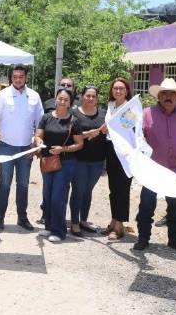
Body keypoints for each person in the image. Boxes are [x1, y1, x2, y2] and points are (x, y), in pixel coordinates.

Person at [133, 79, 176, 253]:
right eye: (164, 94)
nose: (168, 97)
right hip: (151, 170)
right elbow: (137, 138)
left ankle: (175, 240)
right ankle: (143, 239)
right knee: (146, 206)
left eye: (172, 94)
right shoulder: (146, 113)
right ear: (158, 96)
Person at [0, 64, 44, 231]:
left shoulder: (34, 96)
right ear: (10, 78)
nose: (18, 79)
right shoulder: (2, 95)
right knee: (5, 183)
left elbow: (40, 122)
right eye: (15, 77)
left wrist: (37, 141)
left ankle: (22, 217)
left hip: (26, 148)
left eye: (21, 76)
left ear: (26, 77)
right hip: (6, 146)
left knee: (23, 185)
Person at [34, 88, 84, 243]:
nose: (62, 101)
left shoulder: (74, 121)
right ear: (55, 100)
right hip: (47, 161)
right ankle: (49, 226)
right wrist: (38, 141)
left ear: (70, 103)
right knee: (47, 195)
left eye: (66, 100)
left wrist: (63, 149)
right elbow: (38, 135)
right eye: (60, 98)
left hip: (66, 163)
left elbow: (80, 144)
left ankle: (59, 231)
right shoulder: (46, 117)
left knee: (58, 197)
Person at [68, 85, 106, 235]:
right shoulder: (74, 114)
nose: (90, 99)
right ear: (82, 96)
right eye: (87, 95)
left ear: (97, 98)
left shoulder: (104, 114)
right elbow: (68, 134)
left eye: (93, 96)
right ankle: (74, 222)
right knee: (78, 190)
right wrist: (86, 134)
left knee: (88, 190)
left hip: (98, 160)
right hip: (79, 159)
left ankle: (83, 220)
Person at [101, 77, 134, 240]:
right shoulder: (110, 106)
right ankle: (114, 219)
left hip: (125, 151)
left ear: (127, 90)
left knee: (123, 188)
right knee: (113, 188)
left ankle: (120, 225)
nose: (118, 91)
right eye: (115, 88)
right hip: (111, 149)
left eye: (121, 88)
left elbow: (128, 130)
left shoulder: (131, 108)